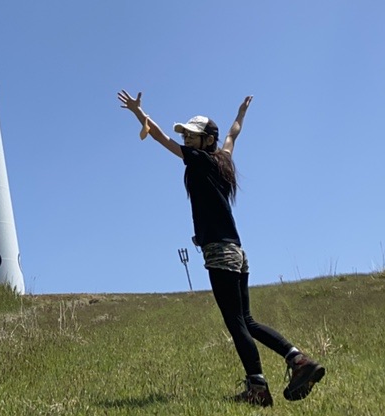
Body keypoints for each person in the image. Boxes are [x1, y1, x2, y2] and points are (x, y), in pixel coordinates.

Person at [117, 90, 325, 407]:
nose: (186, 139)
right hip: (237, 252)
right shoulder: (223, 159)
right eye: (185, 134)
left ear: (206, 141)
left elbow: (159, 137)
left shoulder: (199, 160)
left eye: (192, 135)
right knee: (248, 320)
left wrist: (138, 113)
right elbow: (233, 134)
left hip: (220, 252)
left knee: (236, 322)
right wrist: (240, 113)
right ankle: (297, 360)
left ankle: (258, 387)